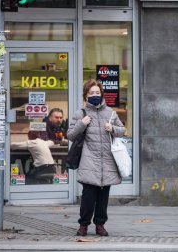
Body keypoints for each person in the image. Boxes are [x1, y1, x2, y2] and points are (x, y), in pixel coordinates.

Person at [67, 79, 125, 237]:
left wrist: (112, 128)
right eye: (91, 93)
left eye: (97, 93)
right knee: (88, 197)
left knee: (103, 197)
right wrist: (82, 124)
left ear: (101, 95)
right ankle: (83, 225)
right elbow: (70, 135)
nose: (94, 95)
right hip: (89, 160)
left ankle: (100, 225)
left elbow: (122, 130)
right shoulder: (80, 114)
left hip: (107, 161)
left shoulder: (110, 113)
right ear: (86, 96)